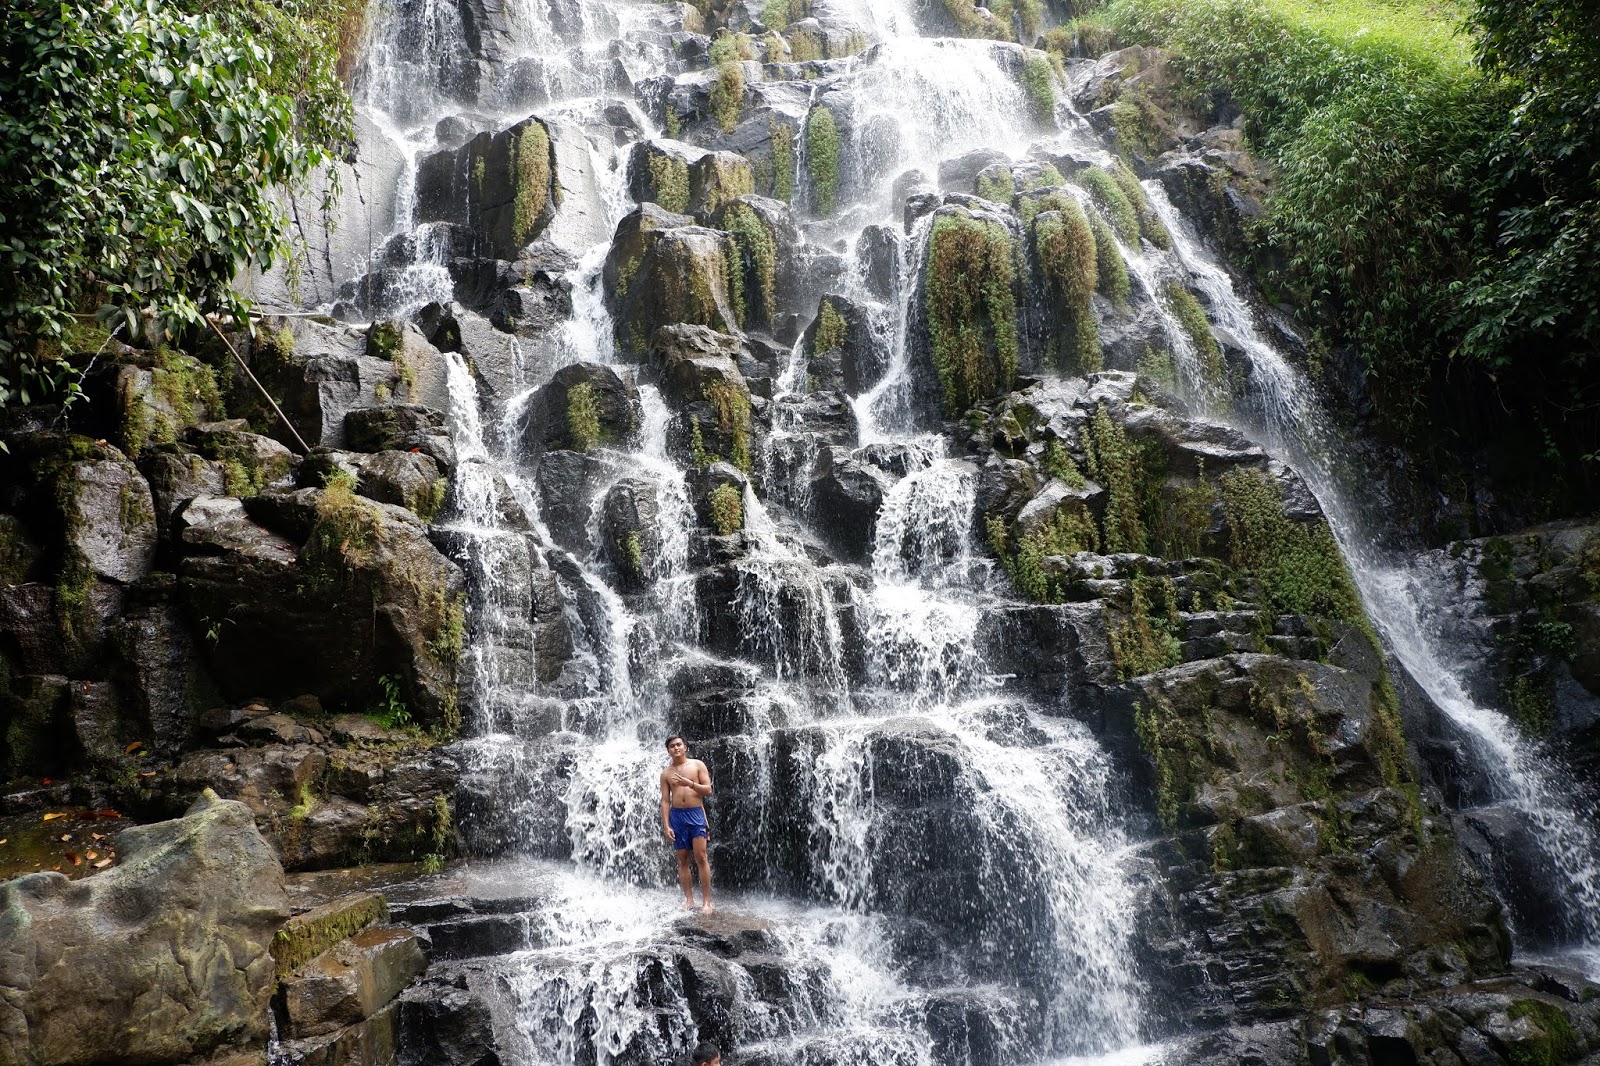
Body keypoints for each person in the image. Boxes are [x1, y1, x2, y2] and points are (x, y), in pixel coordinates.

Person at [660, 735, 714, 913]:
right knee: (682, 859)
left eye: (678, 745)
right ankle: (689, 899)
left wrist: (689, 783)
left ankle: (706, 902)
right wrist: (666, 825)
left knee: (701, 856)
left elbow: (708, 790)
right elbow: (665, 801)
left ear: (685, 747)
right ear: (668, 751)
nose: (676, 748)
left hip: (695, 814)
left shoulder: (698, 765)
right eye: (672, 746)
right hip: (677, 817)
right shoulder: (666, 773)